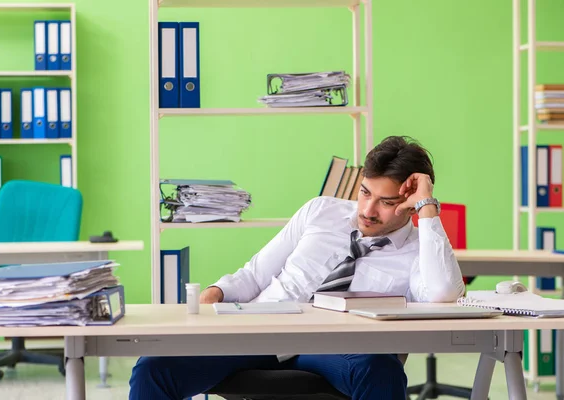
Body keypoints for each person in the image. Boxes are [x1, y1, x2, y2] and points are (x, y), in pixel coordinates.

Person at [129, 135, 466, 400]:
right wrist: (218, 292)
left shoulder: (418, 250)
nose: (368, 209)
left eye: (386, 202)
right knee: (153, 369)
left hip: (336, 349)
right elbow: (257, 273)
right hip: (259, 330)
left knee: (381, 368)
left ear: (408, 205)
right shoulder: (320, 211)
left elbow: (442, 292)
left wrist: (427, 205)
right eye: (365, 193)